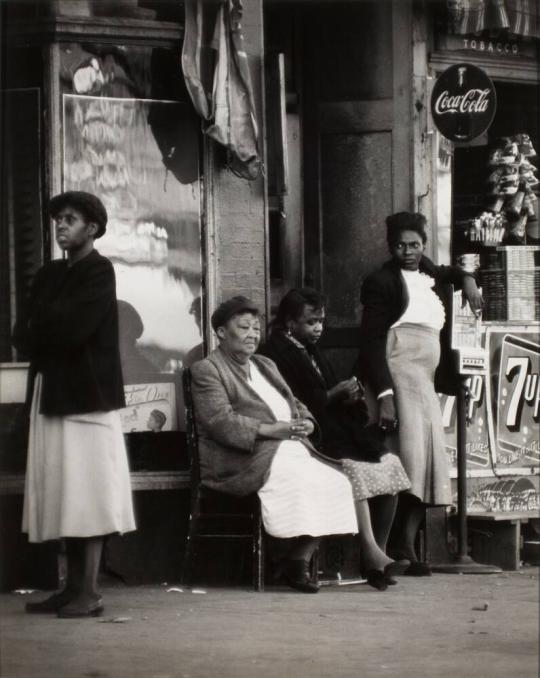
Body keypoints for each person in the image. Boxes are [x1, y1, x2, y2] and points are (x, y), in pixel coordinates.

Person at [190, 296, 407, 593]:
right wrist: (274, 429)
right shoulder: (208, 370)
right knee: (312, 478)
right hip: (245, 458)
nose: (253, 334)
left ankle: (299, 559)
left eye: (256, 328)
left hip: (291, 447)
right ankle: (312, 561)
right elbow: (220, 423)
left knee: (341, 480)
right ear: (221, 333)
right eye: (244, 328)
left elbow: (296, 402)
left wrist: (307, 422)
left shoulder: (264, 364)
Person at [13, 191, 136, 617]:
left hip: (86, 398)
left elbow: (71, 329)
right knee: (63, 489)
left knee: (88, 491)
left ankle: (89, 590)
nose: (61, 226)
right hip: (52, 392)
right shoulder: (49, 274)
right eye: (57, 220)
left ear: (93, 228)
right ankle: (70, 588)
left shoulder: (99, 271)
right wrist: (46, 324)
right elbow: (21, 333)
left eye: (70, 219)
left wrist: (44, 323)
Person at [356, 211, 483, 575]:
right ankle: (387, 546)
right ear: (390, 247)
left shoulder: (431, 273)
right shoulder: (381, 282)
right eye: (400, 245)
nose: (407, 252)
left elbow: (452, 272)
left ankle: (406, 542)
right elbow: (372, 340)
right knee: (405, 457)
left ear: (424, 244)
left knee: (426, 461)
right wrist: (383, 394)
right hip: (397, 372)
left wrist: (469, 281)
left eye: (414, 245)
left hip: (425, 379)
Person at [259, 287, 410, 566]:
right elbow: (291, 404)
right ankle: (372, 556)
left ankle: (380, 551)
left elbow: (327, 392)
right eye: (311, 322)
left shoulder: (311, 350)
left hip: (338, 430)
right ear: (289, 323)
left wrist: (350, 397)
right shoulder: (273, 355)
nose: (318, 328)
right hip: (313, 438)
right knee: (353, 471)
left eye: (321, 322)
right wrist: (333, 394)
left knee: (390, 464)